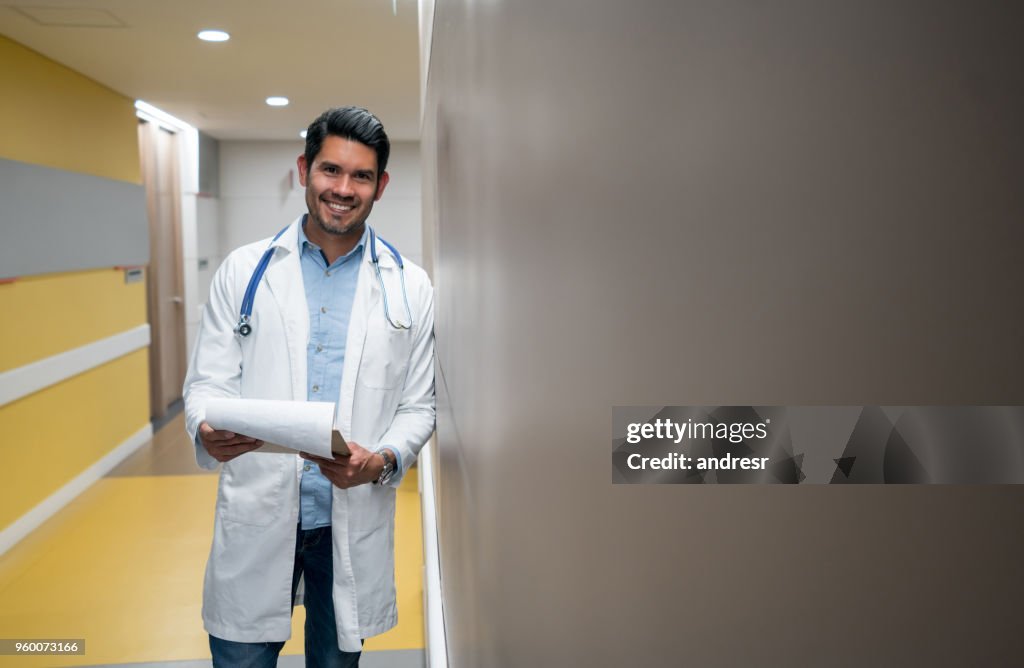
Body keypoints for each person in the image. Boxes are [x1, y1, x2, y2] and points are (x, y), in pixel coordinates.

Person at [183, 106, 435, 668]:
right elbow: (207, 381)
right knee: (241, 657)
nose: (343, 189)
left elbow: (419, 405)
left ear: (381, 185)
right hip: (260, 509)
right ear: (304, 170)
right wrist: (204, 427)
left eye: (361, 176)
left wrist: (385, 459)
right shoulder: (244, 272)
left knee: (334, 662)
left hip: (346, 515)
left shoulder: (409, 287)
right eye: (330, 170)